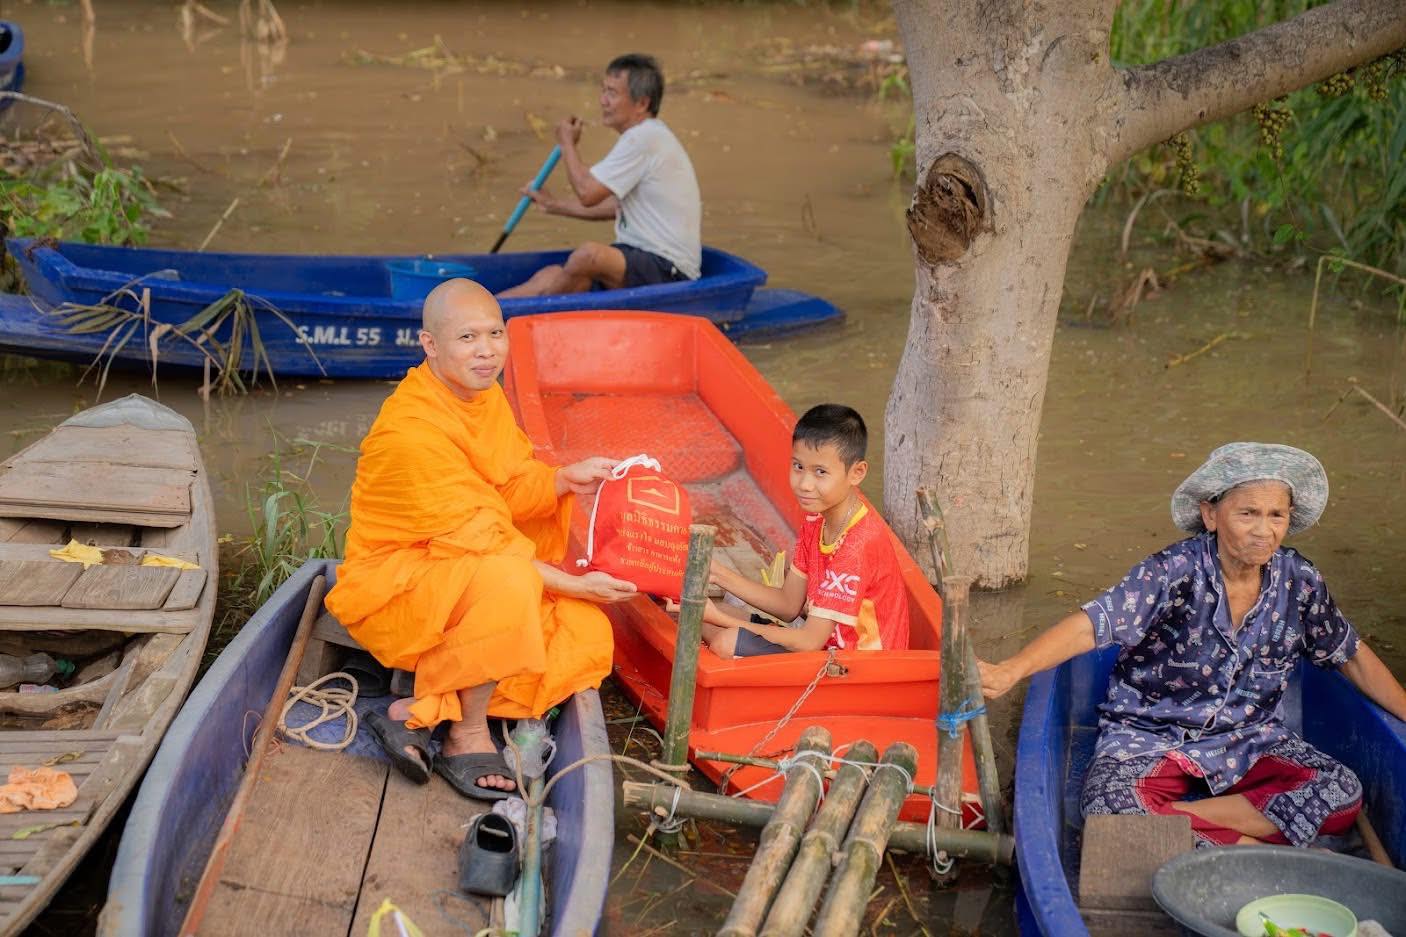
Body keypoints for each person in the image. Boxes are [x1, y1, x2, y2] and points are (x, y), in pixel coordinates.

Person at [978, 442, 1406, 847]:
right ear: (1211, 514)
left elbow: (1350, 655)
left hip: (1248, 737)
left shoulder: (1299, 579)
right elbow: (1092, 625)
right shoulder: (1174, 570)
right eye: (1248, 513)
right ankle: (1247, 851)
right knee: (1107, 806)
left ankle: (1174, 819)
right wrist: (1011, 669)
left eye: (1276, 515)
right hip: (1151, 734)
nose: (1264, 531)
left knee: (1342, 794)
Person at [325, 278, 637, 801]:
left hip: (467, 567)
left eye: (496, 333)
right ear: (430, 345)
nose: (487, 350)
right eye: (468, 338)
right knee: (516, 582)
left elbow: (509, 484)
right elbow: (486, 544)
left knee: (580, 630)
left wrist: (562, 478)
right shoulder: (411, 431)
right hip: (398, 582)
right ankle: (465, 734)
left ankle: (416, 713)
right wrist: (576, 584)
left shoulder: (481, 397)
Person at [693, 404, 910, 657]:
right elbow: (788, 604)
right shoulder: (817, 519)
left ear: (856, 473)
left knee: (724, 640)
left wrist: (721, 617)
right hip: (822, 644)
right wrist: (717, 573)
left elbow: (808, 641)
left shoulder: (857, 545)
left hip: (856, 667)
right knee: (703, 618)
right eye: (798, 467)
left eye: (820, 472)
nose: (805, 484)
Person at [498, 53, 701, 297]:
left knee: (588, 256)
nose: (603, 101)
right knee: (550, 275)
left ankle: (543, 311)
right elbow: (613, 208)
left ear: (642, 104)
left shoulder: (644, 138)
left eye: (612, 94)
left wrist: (567, 145)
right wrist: (553, 205)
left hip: (668, 269)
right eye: (603, 91)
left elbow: (587, 193)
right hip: (637, 258)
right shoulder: (643, 138)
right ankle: (480, 315)